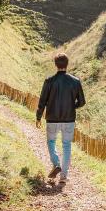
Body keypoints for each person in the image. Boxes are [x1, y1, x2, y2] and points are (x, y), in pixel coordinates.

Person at [36, 52, 85, 185]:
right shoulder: (75, 81)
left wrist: (38, 117)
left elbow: (42, 101)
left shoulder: (49, 81)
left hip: (52, 118)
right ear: (67, 64)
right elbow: (81, 102)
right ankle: (63, 176)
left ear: (56, 65)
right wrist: (71, 106)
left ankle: (56, 163)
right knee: (67, 145)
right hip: (69, 119)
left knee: (51, 142)